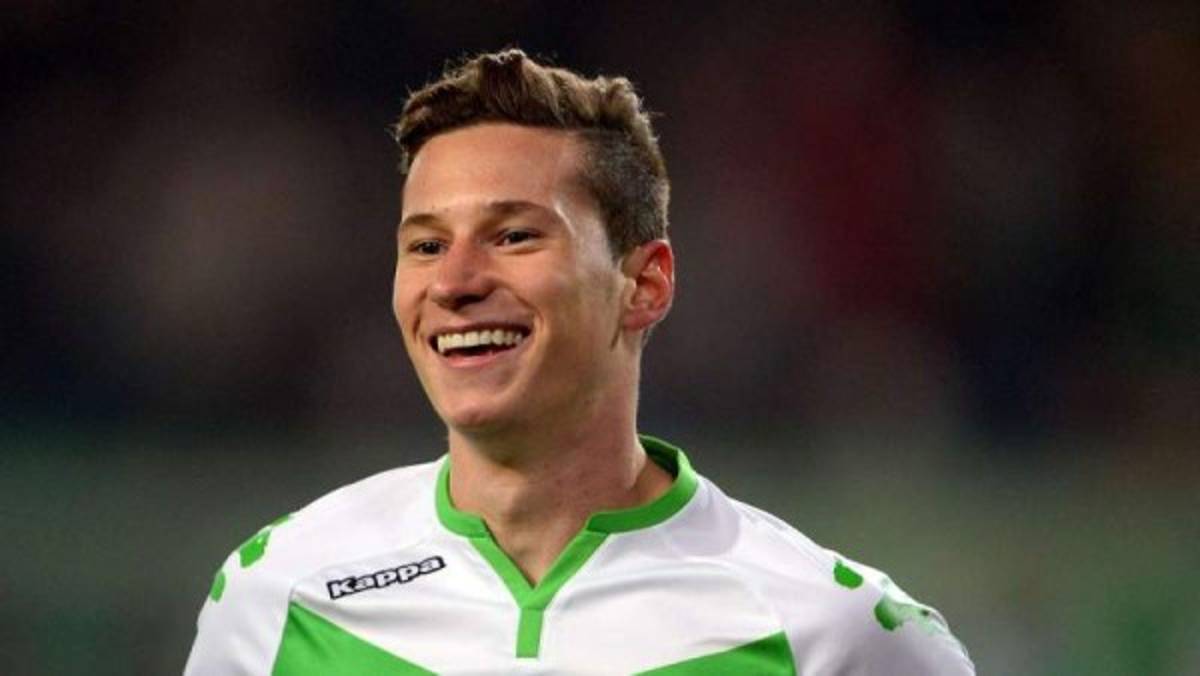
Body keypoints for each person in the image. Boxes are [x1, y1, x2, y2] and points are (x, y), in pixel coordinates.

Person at [184, 48, 974, 675]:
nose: (454, 283)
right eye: (426, 245)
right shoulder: (280, 597)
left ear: (645, 284)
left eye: (514, 236)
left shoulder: (834, 636)